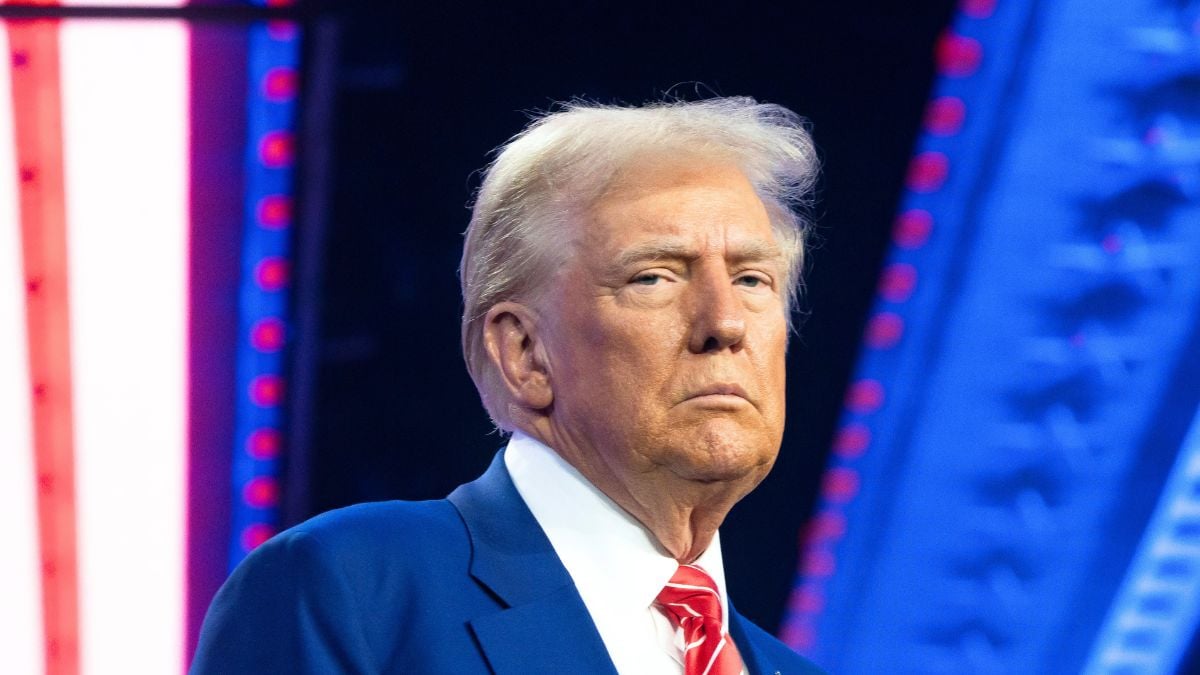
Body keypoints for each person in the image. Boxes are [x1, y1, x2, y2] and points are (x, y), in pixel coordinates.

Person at [192, 97, 826, 674]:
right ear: (525, 353)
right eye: (654, 278)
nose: (724, 323)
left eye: (752, 280)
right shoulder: (351, 592)